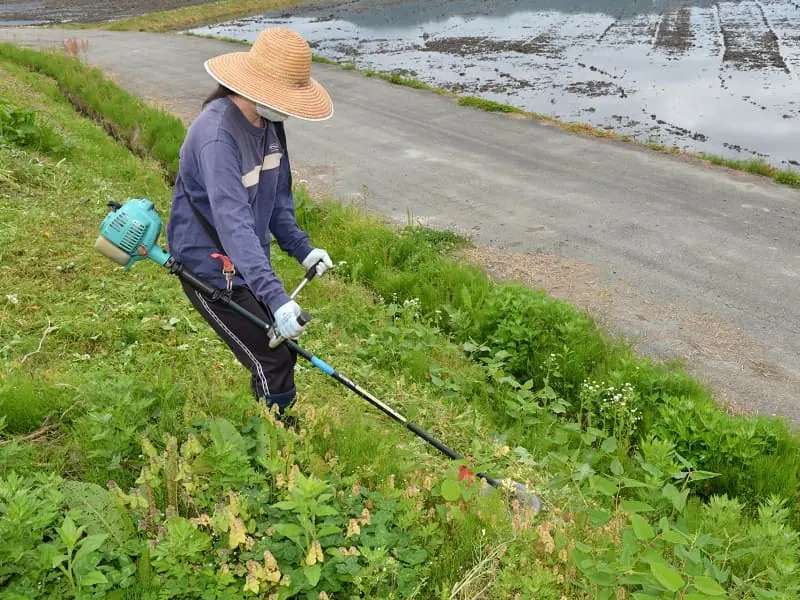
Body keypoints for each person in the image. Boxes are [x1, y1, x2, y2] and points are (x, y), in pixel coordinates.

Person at [166, 28, 334, 418]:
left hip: (248, 260)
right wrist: (277, 299)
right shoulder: (217, 137)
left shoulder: (269, 124)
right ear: (255, 85)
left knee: (281, 351)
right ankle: (273, 449)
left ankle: (276, 440)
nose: (289, 109)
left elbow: (277, 203)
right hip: (209, 267)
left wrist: (302, 249)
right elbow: (233, 225)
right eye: (285, 98)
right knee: (271, 360)